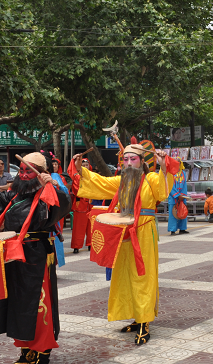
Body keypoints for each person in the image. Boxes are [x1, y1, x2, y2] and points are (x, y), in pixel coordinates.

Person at [0, 152, 71, 364]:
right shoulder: (15, 195)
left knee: (38, 303)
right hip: (12, 256)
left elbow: (62, 206)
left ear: (42, 173)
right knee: (17, 303)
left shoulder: (47, 193)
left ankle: (42, 349)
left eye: (31, 170)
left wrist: (51, 186)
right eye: (23, 170)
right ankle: (26, 348)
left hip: (36, 254)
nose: (25, 175)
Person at [74, 144, 177, 346]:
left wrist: (164, 167)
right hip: (123, 233)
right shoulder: (121, 182)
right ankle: (134, 317)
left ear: (142, 161)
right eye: (126, 160)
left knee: (143, 276)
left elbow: (164, 190)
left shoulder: (151, 179)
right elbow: (99, 182)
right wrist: (80, 169)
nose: (129, 163)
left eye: (133, 159)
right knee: (124, 276)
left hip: (144, 232)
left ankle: (144, 321)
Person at [67, 158, 94, 253]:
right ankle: (76, 246)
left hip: (91, 204)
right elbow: (76, 190)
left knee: (91, 226)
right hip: (81, 204)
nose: (85, 166)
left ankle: (91, 244)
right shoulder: (77, 177)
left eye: (87, 165)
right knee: (78, 227)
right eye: (83, 165)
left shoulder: (93, 176)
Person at [168, 167, 189, 235]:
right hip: (173, 196)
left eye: (179, 163)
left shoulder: (183, 173)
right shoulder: (170, 173)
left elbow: (184, 185)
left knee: (183, 211)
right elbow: (169, 185)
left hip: (182, 197)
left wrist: (182, 196)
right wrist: (177, 195)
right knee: (173, 213)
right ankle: (172, 230)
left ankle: (182, 229)